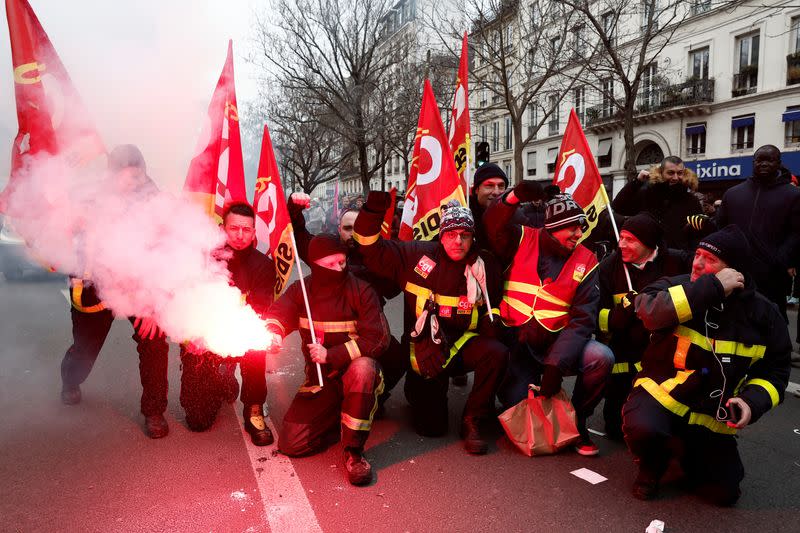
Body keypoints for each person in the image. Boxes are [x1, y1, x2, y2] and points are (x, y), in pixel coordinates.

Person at [625, 225, 791, 505]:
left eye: (710, 259)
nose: (697, 263)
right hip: (663, 397)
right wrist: (712, 288)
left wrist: (751, 402)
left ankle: (684, 451)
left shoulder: (763, 313)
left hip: (711, 415)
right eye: (697, 254)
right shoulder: (676, 285)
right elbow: (649, 312)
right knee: (645, 428)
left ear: (735, 273)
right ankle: (652, 465)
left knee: (724, 494)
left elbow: (776, 370)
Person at [354, 194, 508, 455]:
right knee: (432, 428)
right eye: (451, 234)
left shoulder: (485, 265)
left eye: (465, 235)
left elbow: (491, 309)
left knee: (497, 352)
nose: (458, 241)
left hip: (461, 345)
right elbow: (370, 249)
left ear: (473, 238)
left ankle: (473, 419)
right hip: (423, 351)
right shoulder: (416, 255)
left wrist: (493, 327)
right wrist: (373, 210)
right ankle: (416, 390)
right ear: (440, 235)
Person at [484, 183, 614, 456]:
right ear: (553, 227)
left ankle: (578, 419)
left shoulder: (587, 260)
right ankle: (507, 391)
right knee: (515, 406)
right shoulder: (522, 238)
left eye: (581, 226)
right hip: (518, 343)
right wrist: (513, 197)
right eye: (573, 227)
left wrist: (556, 364)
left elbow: (583, 319)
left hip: (557, 344)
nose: (580, 233)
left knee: (601, 357)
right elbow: (492, 225)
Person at [59, 145, 170, 439]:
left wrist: (153, 305)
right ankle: (70, 380)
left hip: (139, 282)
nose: (133, 182)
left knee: (155, 339)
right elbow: (63, 240)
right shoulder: (89, 199)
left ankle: (154, 410)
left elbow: (166, 254)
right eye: (126, 175)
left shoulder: (155, 202)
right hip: (95, 281)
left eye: (138, 175)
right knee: (85, 347)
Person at [265, 234, 389, 486]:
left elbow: (377, 339)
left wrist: (332, 355)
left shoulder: (361, 290)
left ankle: (353, 451)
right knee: (292, 444)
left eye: (342, 262)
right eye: (330, 264)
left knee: (363, 368)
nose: (338, 269)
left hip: (354, 374)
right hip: (320, 379)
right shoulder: (302, 289)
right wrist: (274, 333)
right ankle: (337, 415)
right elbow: (279, 313)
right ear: (315, 264)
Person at [287, 193, 405, 402]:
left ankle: (372, 396)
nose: (353, 234)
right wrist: (294, 209)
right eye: (348, 228)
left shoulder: (382, 258)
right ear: (339, 229)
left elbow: (401, 277)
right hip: (330, 335)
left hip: (369, 330)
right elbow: (299, 235)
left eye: (358, 228)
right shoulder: (325, 249)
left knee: (397, 357)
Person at [179, 202, 275, 446]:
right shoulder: (203, 259)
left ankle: (253, 409)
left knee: (257, 347)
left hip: (239, 335)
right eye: (234, 229)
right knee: (198, 421)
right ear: (223, 228)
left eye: (246, 230)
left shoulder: (263, 266)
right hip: (203, 339)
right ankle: (222, 380)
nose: (240, 235)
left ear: (254, 232)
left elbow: (260, 309)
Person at [596, 213, 691, 439]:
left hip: (668, 352)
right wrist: (618, 316)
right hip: (625, 354)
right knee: (616, 429)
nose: (621, 245)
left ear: (649, 243)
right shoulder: (610, 266)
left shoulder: (676, 261)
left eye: (630, 240)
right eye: (621, 238)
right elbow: (597, 314)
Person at [713, 145, 800, 320]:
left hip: (773, 278)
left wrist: (780, 259)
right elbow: (721, 228)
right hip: (736, 273)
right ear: (753, 162)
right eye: (760, 160)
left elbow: (797, 233)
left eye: (770, 160)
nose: (764, 164)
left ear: (779, 163)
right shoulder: (733, 194)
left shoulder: (793, 195)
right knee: (734, 319)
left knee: (771, 322)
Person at [612, 156, 702, 250]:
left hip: (679, 260)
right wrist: (636, 182)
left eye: (679, 173)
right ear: (661, 173)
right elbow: (618, 207)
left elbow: (698, 234)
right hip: (649, 258)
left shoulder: (692, 201)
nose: (675, 177)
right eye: (670, 173)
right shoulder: (647, 194)